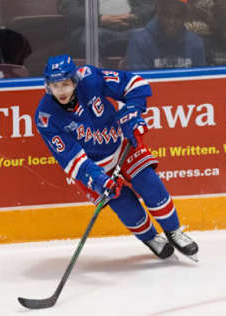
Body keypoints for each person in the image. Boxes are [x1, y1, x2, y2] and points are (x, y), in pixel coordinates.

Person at [35, 54, 199, 261]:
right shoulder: (45, 117)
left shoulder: (90, 78)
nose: (61, 91)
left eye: (65, 84)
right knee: (124, 205)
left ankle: (174, 231)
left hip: (121, 145)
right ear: (47, 86)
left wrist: (132, 113)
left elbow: (134, 84)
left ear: (75, 81)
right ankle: (150, 238)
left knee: (149, 183)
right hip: (94, 167)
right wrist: (100, 180)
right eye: (55, 86)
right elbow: (71, 159)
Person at [124, 0, 206, 70]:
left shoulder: (196, 43)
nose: (171, 21)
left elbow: (200, 83)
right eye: (166, 15)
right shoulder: (139, 41)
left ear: (185, 17)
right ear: (158, 13)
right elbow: (137, 84)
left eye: (177, 16)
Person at [60, 0, 156, 58]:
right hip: (94, 28)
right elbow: (70, 10)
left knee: (147, 38)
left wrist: (134, 16)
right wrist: (99, 19)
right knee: (89, 39)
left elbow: (149, 6)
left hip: (131, 26)